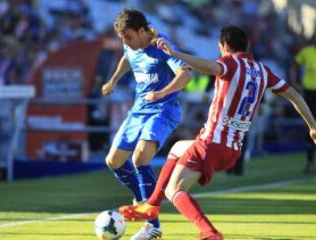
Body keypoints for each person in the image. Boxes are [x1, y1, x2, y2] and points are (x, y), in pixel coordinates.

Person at [119, 26, 316, 240]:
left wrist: (174, 54)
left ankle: (209, 233)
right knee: (177, 147)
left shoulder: (230, 64)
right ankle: (151, 206)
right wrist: (312, 125)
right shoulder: (262, 70)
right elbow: (295, 95)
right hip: (232, 150)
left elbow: (209, 66)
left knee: (174, 191)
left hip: (211, 144)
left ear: (223, 46)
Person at [101, 9, 191, 240]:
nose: (125, 42)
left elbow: (185, 75)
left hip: (163, 110)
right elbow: (126, 58)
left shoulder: (162, 45)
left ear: (142, 31)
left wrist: (162, 93)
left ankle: (152, 225)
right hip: (138, 111)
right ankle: (142, 199)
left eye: (129, 36)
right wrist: (112, 80)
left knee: (140, 158)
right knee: (114, 161)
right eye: (122, 38)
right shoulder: (130, 46)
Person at [291, 36, 316, 173]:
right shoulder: (306, 52)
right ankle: (310, 161)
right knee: (311, 125)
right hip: (310, 93)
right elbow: (294, 64)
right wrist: (295, 82)